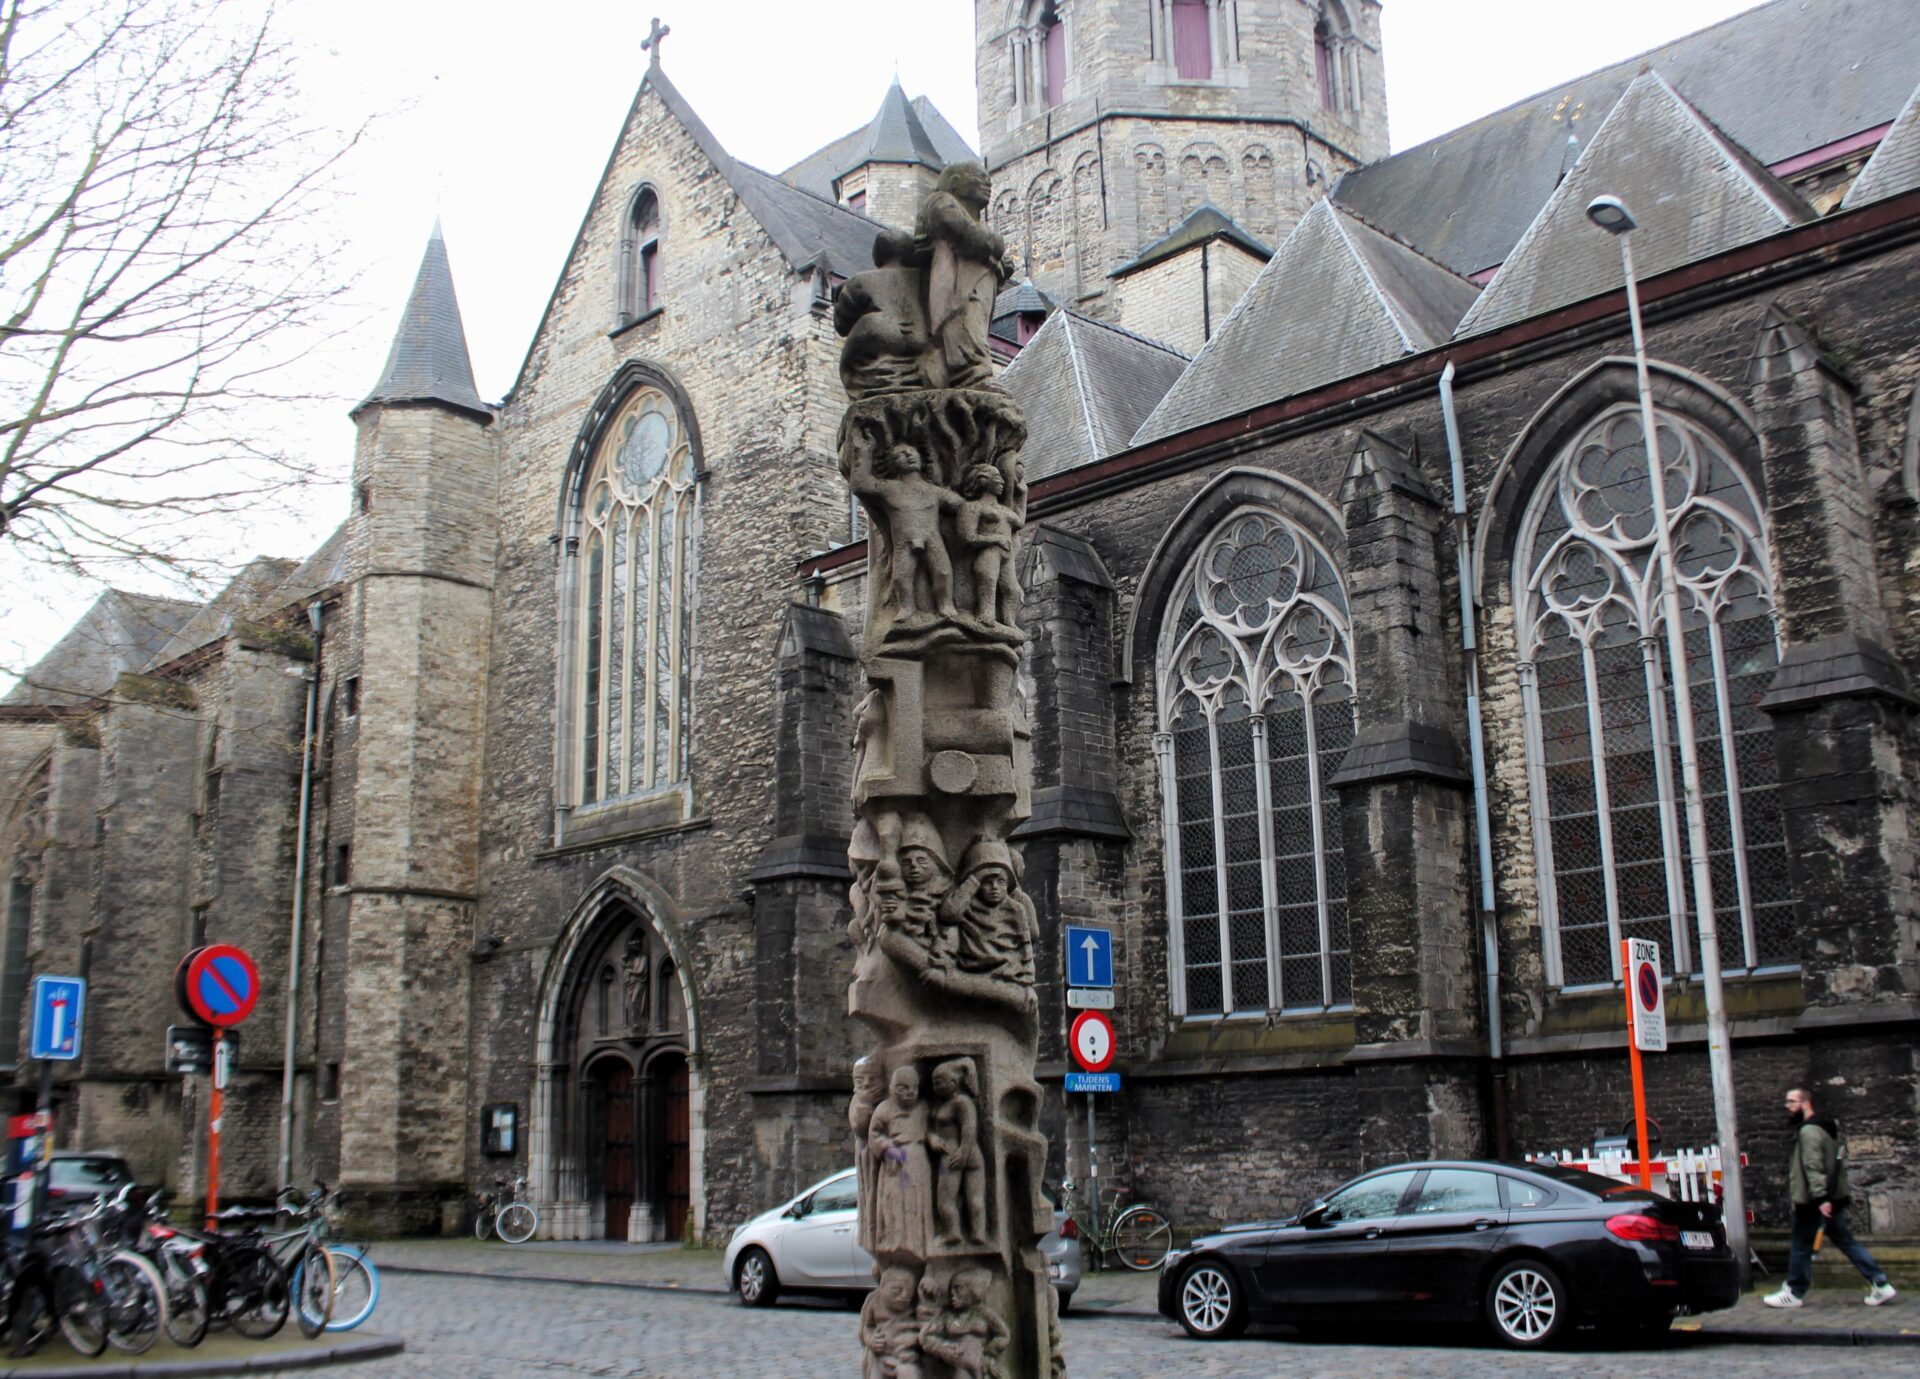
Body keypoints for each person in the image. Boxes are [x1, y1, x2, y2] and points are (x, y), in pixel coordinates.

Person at [1762, 1086, 1897, 1308]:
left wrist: (1821, 1198)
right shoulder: (1825, 1128)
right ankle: (1881, 1283)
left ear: (1806, 1103)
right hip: (1829, 1198)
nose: (1787, 1106)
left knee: (1801, 1244)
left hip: (1813, 1202)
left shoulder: (1809, 1132)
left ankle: (1794, 1292)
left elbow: (1813, 1166)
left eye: (1792, 1101)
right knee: (1845, 1241)